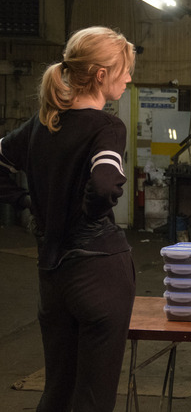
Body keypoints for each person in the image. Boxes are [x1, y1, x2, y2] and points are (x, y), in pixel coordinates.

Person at [0, 26, 136, 411]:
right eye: (124, 69)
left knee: (57, 392)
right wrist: (89, 214)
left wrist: (28, 202)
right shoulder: (107, 127)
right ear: (100, 75)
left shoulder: (41, 125)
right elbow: (106, 183)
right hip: (99, 273)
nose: (128, 77)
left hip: (53, 279)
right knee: (93, 399)